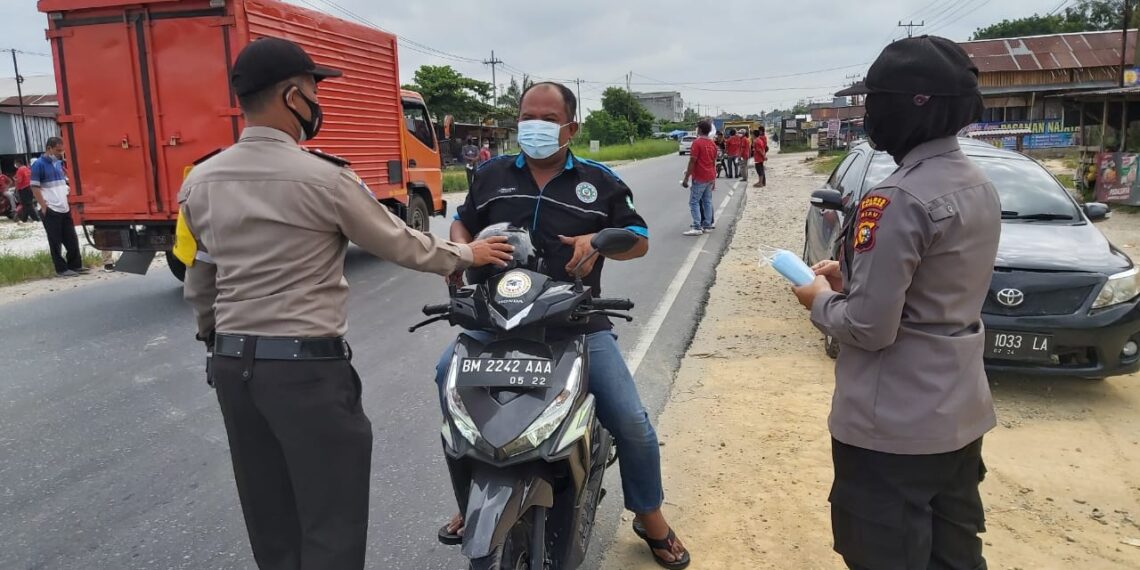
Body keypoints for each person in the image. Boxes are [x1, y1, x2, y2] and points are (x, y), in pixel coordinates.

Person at [177, 37, 514, 570]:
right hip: (304, 373)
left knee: (269, 512)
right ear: (291, 97)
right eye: (313, 90)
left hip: (233, 364)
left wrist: (214, 340)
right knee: (330, 515)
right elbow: (401, 242)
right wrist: (466, 253)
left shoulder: (199, 180)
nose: (317, 101)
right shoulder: (325, 178)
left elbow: (201, 278)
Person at [437, 81, 691, 569]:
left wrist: (597, 240)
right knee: (446, 377)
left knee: (632, 423)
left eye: (547, 119)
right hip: (496, 324)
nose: (535, 126)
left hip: (576, 324)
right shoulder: (489, 175)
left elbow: (637, 238)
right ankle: (475, 497)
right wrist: (459, 250)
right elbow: (462, 224)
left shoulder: (600, 179)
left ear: (570, 127)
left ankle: (650, 516)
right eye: (527, 116)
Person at [790, 36, 997, 570]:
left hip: (893, 428)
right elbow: (935, 285)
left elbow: (868, 326)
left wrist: (818, 299)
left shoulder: (897, 196)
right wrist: (854, 272)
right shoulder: (977, 184)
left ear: (910, 105)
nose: (867, 114)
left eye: (873, 100)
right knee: (954, 556)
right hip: (958, 413)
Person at [31, 138, 86, 277]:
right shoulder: (38, 164)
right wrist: (44, 206)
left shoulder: (58, 164)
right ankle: (61, 269)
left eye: (62, 150)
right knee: (55, 240)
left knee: (71, 238)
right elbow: (34, 186)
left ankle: (75, 265)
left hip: (64, 207)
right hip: (51, 209)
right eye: (57, 150)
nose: (60, 153)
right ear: (49, 148)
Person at [682, 119, 717, 236]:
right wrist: (714, 179)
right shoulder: (712, 144)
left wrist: (686, 178)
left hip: (700, 177)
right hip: (710, 176)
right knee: (707, 201)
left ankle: (697, 226)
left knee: (694, 202)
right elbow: (713, 162)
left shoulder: (697, 143)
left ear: (700, 130)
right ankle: (707, 224)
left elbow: (693, 161)